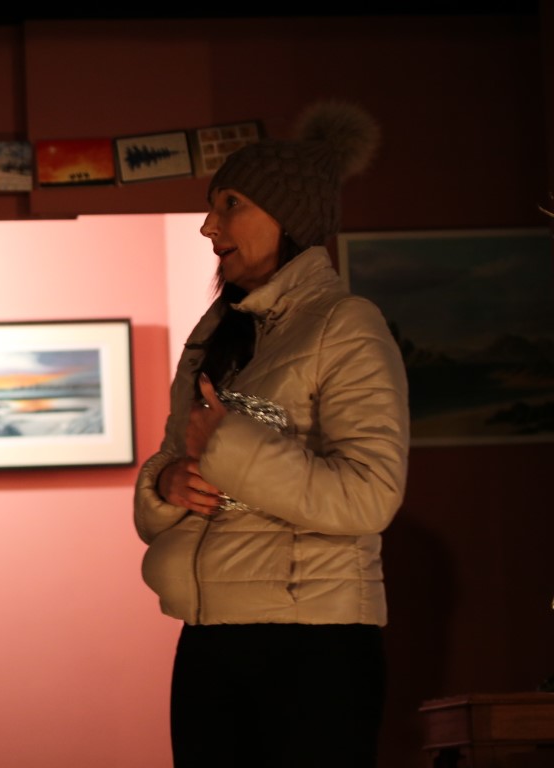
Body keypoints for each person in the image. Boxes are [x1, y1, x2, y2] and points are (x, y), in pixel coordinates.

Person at [133, 101, 408, 768]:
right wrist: (167, 485)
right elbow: (176, 456)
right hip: (209, 637)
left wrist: (228, 450)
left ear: (290, 218)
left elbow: (371, 495)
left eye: (230, 205)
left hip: (313, 645)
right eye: (211, 207)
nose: (208, 226)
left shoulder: (346, 324)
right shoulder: (214, 334)